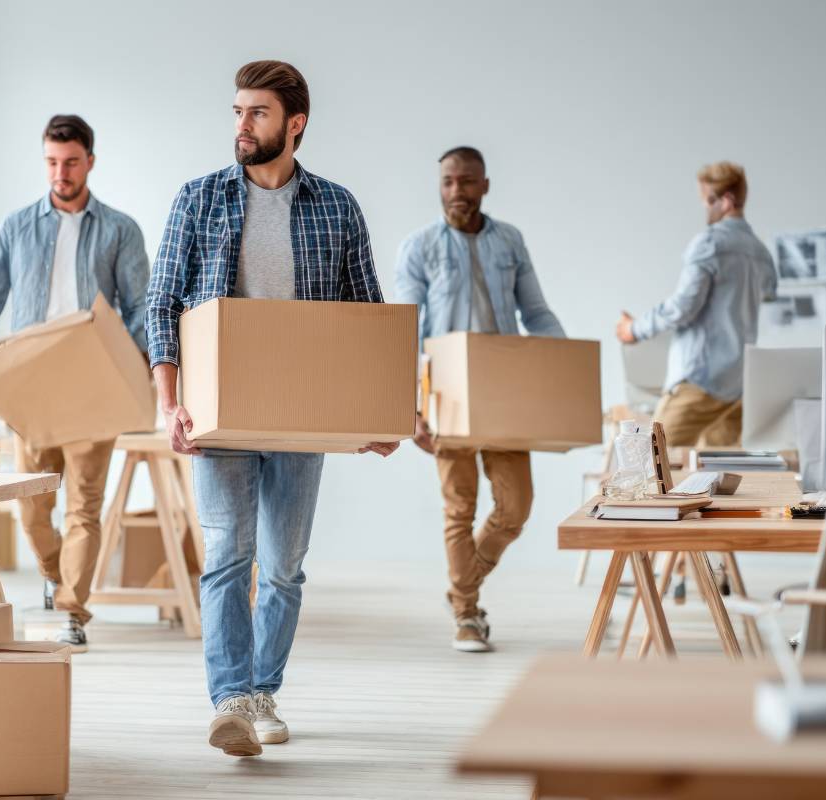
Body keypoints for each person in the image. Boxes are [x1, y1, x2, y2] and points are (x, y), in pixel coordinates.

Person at [146, 60, 397, 757]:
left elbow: (366, 316)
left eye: (256, 113)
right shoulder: (199, 199)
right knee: (229, 553)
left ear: (295, 124)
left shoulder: (336, 207)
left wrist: (376, 414)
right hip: (217, 411)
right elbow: (161, 302)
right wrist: (169, 402)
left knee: (284, 565)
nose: (242, 125)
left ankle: (262, 691)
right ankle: (230, 699)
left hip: (300, 414)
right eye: (237, 111)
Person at [0, 114, 150, 652]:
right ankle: (54, 574)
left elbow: (139, 308)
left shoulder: (120, 230)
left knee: (84, 505)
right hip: (32, 386)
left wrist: (138, 371)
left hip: (93, 386)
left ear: (90, 162)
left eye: (71, 162)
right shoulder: (17, 227)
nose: (61, 173)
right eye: (52, 162)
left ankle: (72, 611)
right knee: (31, 506)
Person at [396, 146, 565, 653]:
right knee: (459, 509)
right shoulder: (419, 247)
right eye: (448, 182)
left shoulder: (509, 240)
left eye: (466, 181)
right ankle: (467, 615)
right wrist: (410, 404)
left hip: (503, 390)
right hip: (445, 393)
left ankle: (460, 588)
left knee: (516, 507)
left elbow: (536, 313)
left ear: (485, 185)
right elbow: (408, 330)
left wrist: (565, 369)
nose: (456, 191)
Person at [615, 162, 777, 447]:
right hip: (738, 385)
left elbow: (683, 307)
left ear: (726, 200)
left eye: (708, 201)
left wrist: (634, 328)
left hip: (700, 379)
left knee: (654, 459)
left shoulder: (710, 243)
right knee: (717, 470)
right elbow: (767, 296)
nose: (705, 208)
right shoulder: (761, 253)